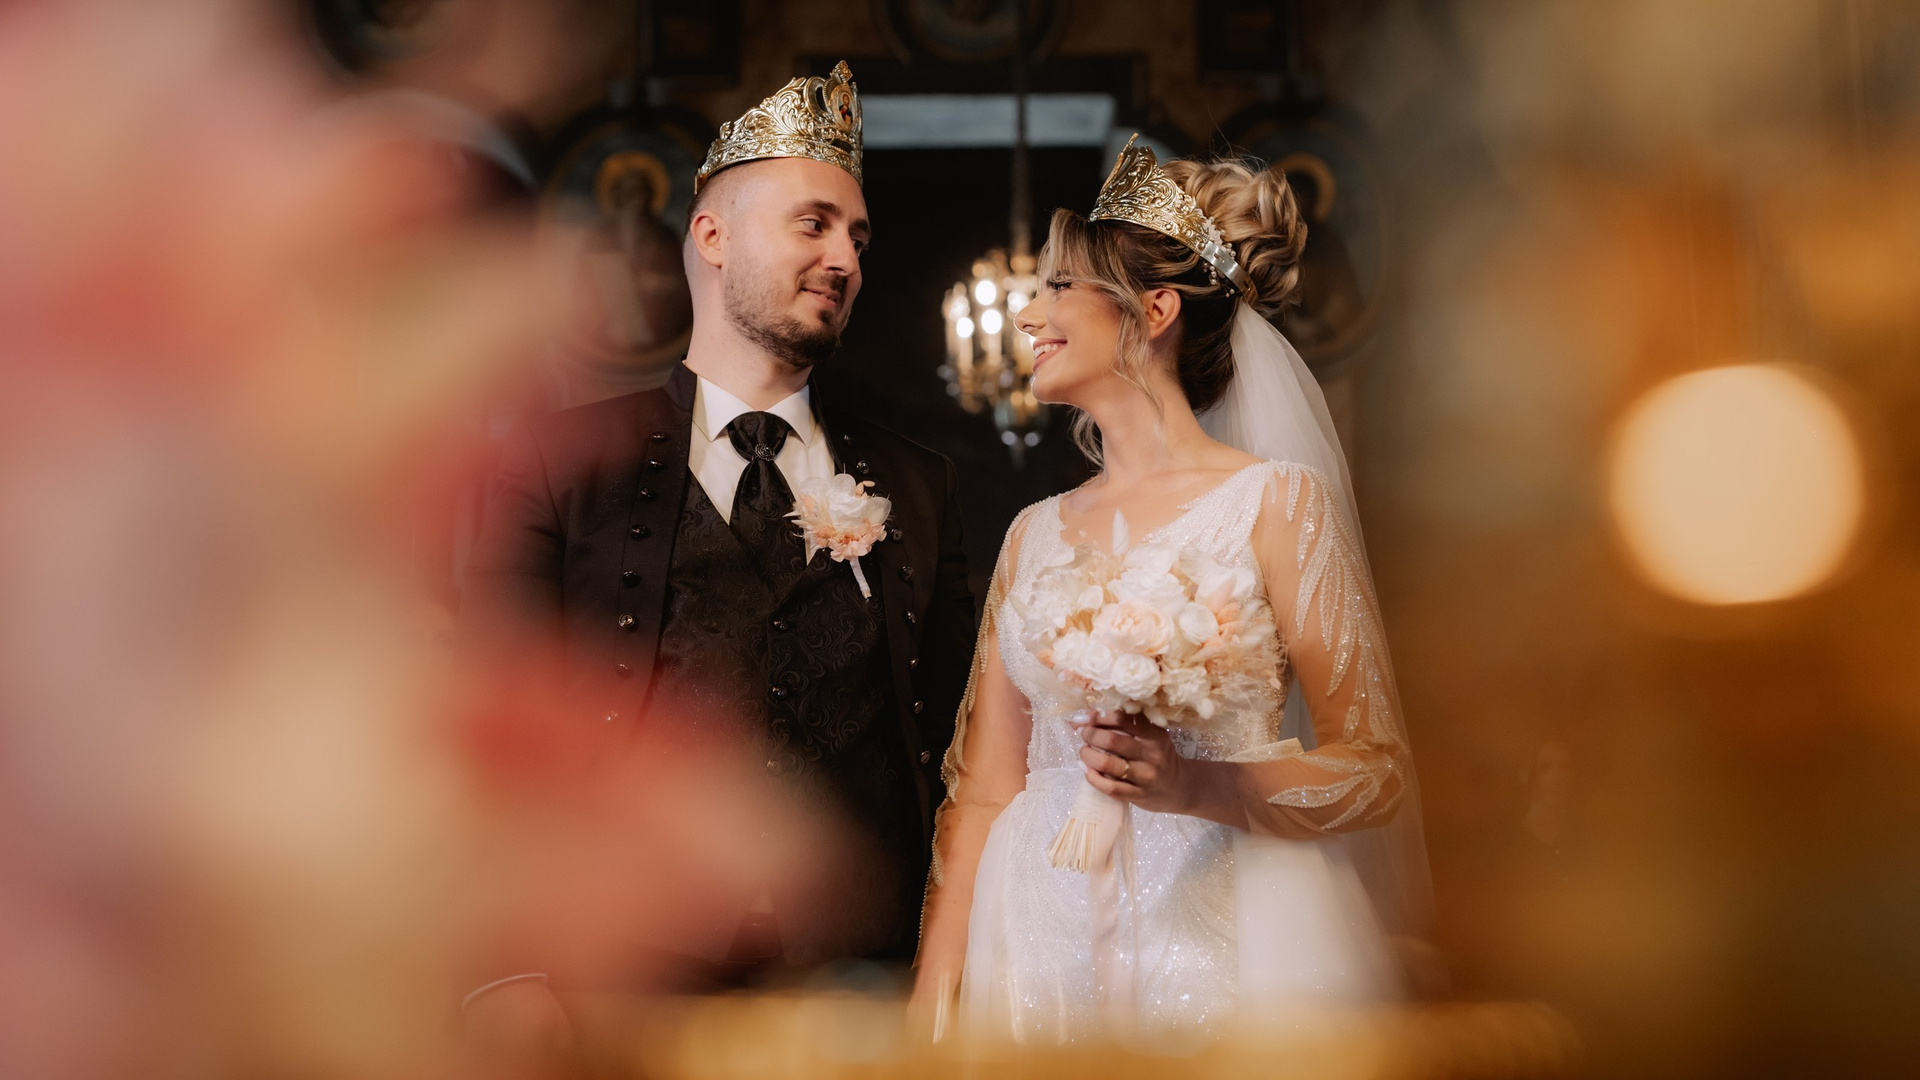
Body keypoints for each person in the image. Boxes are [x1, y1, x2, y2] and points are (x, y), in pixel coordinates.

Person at [460, 62, 974, 1043]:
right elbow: (482, 723)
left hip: (864, 989)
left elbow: (961, 745)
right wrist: (505, 968)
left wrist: (949, 959)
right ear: (712, 236)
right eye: (813, 223)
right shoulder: (561, 460)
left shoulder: (919, 485)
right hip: (617, 981)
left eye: (859, 239)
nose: (844, 259)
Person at [913, 137, 1433, 1042]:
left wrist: (1197, 783)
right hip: (1036, 945)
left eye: (1058, 286)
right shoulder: (1032, 534)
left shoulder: (1277, 503)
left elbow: (1375, 769)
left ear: (1152, 311)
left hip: (1227, 936)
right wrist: (935, 990)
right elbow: (987, 788)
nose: (1029, 314)